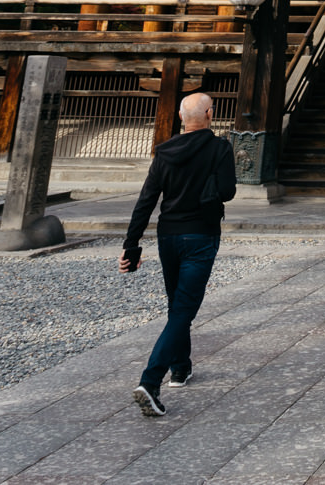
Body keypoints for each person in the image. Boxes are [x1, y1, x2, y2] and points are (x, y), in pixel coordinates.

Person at [121, 91, 237, 416]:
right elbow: (228, 191)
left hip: (168, 236)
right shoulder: (219, 148)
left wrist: (131, 246)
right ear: (211, 115)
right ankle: (150, 380)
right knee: (184, 309)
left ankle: (181, 368)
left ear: (182, 120)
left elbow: (146, 200)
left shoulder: (165, 152)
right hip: (201, 235)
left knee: (177, 304)